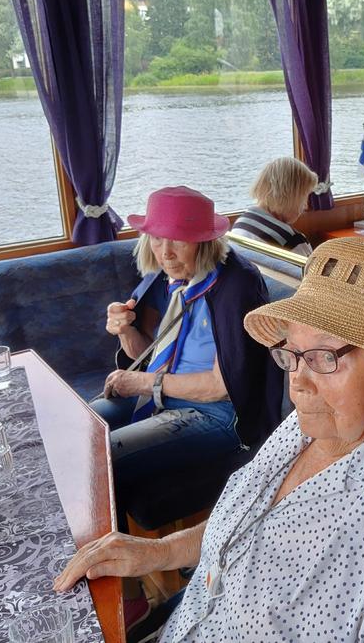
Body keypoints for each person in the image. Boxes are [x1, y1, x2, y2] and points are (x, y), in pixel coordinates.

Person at [56, 237, 364, 643]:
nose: (297, 382)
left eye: (324, 356)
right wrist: (159, 551)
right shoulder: (315, 421)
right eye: (291, 354)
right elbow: (248, 522)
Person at [95, 186, 282, 527]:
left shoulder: (237, 285)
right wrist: (124, 330)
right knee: (83, 427)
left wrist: (144, 383)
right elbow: (146, 354)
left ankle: (114, 558)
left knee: (101, 462)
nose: (165, 253)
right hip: (162, 393)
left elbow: (220, 388)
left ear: (204, 241)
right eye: (156, 239)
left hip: (217, 415)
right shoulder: (164, 276)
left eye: (178, 241)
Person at [231, 156, 317, 255]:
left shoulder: (241, 223)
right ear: (290, 197)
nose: (305, 206)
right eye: (304, 197)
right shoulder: (292, 241)